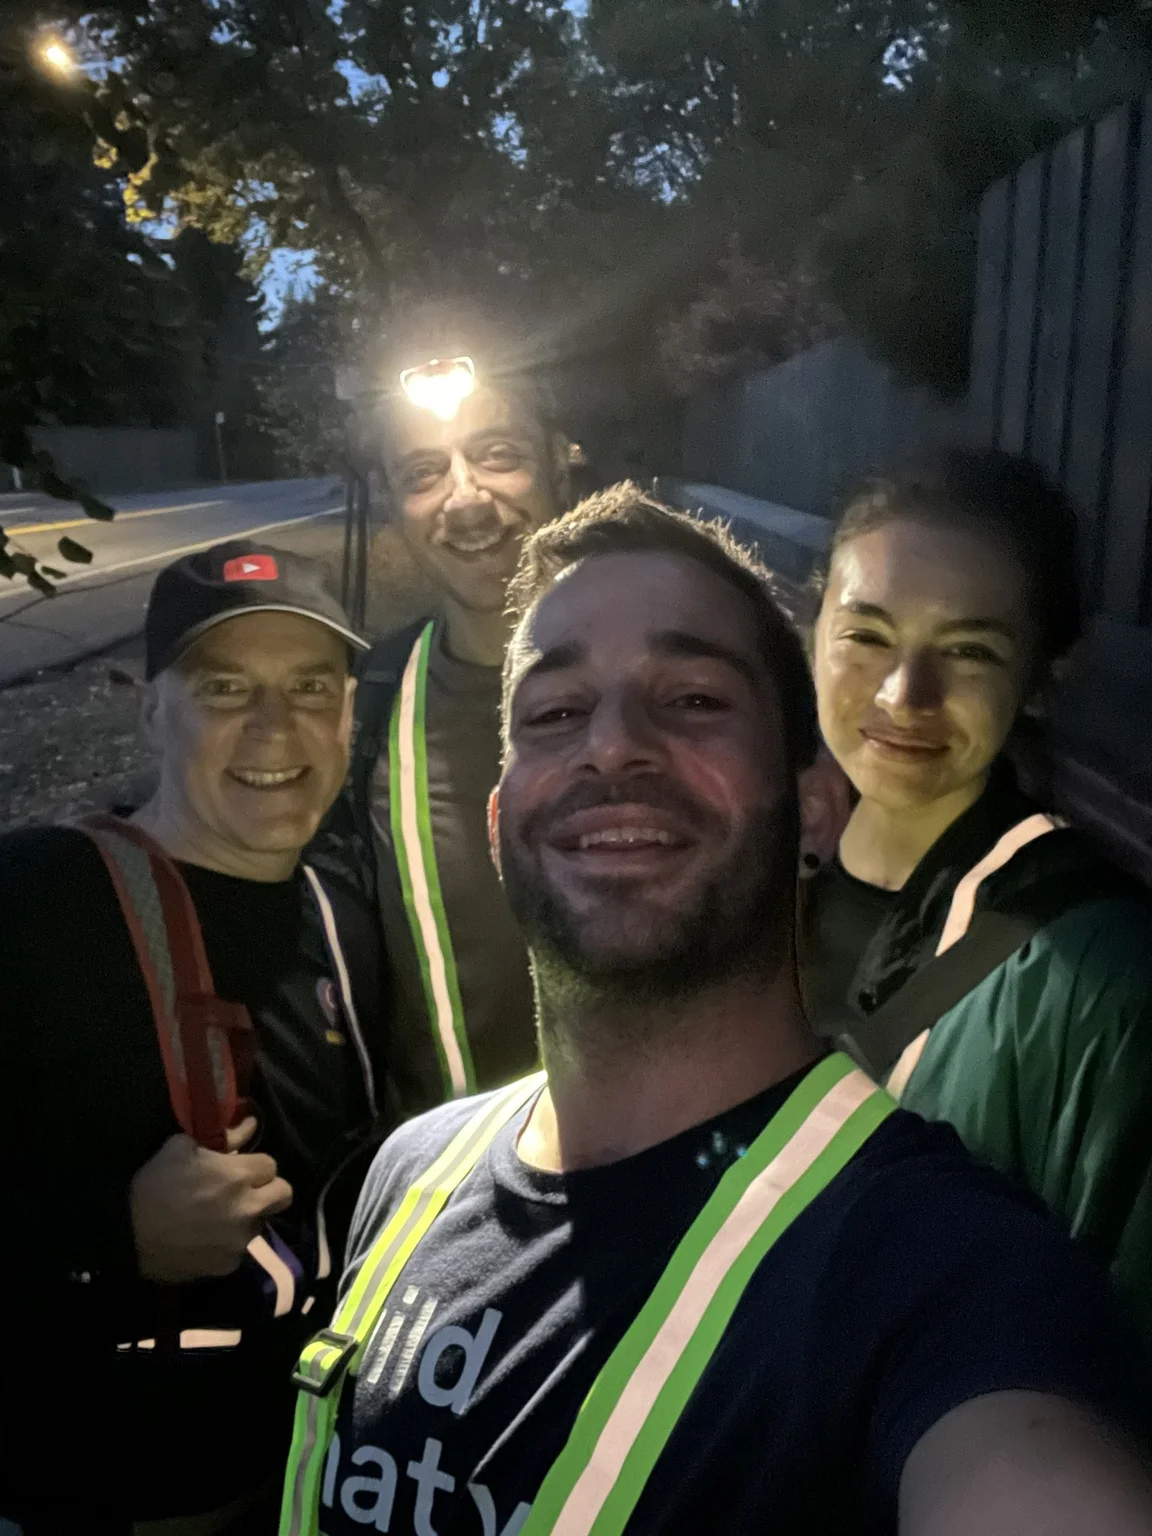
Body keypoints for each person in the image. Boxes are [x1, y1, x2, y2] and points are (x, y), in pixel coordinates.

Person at [282, 487, 1152, 1536]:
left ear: (812, 808)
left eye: (692, 699)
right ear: (503, 811)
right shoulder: (409, 1173)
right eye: (556, 713)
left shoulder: (939, 1270)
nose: (611, 747)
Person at [0, 542, 390, 1534]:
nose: (276, 725)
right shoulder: (40, 900)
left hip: (311, 1479)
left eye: (311, 685)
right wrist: (110, 1237)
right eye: (224, 687)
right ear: (148, 707)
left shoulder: (342, 902)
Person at [800, 448, 1152, 1354]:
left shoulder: (1100, 979)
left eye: (968, 651)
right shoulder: (746, 893)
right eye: (868, 634)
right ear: (814, 629)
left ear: (1043, 674)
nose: (901, 695)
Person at [315, 348, 570, 1114]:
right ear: (393, 502)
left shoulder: (680, 672)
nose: (464, 499)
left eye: (498, 456)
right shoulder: (368, 704)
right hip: (455, 1188)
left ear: (562, 459)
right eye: (424, 472)